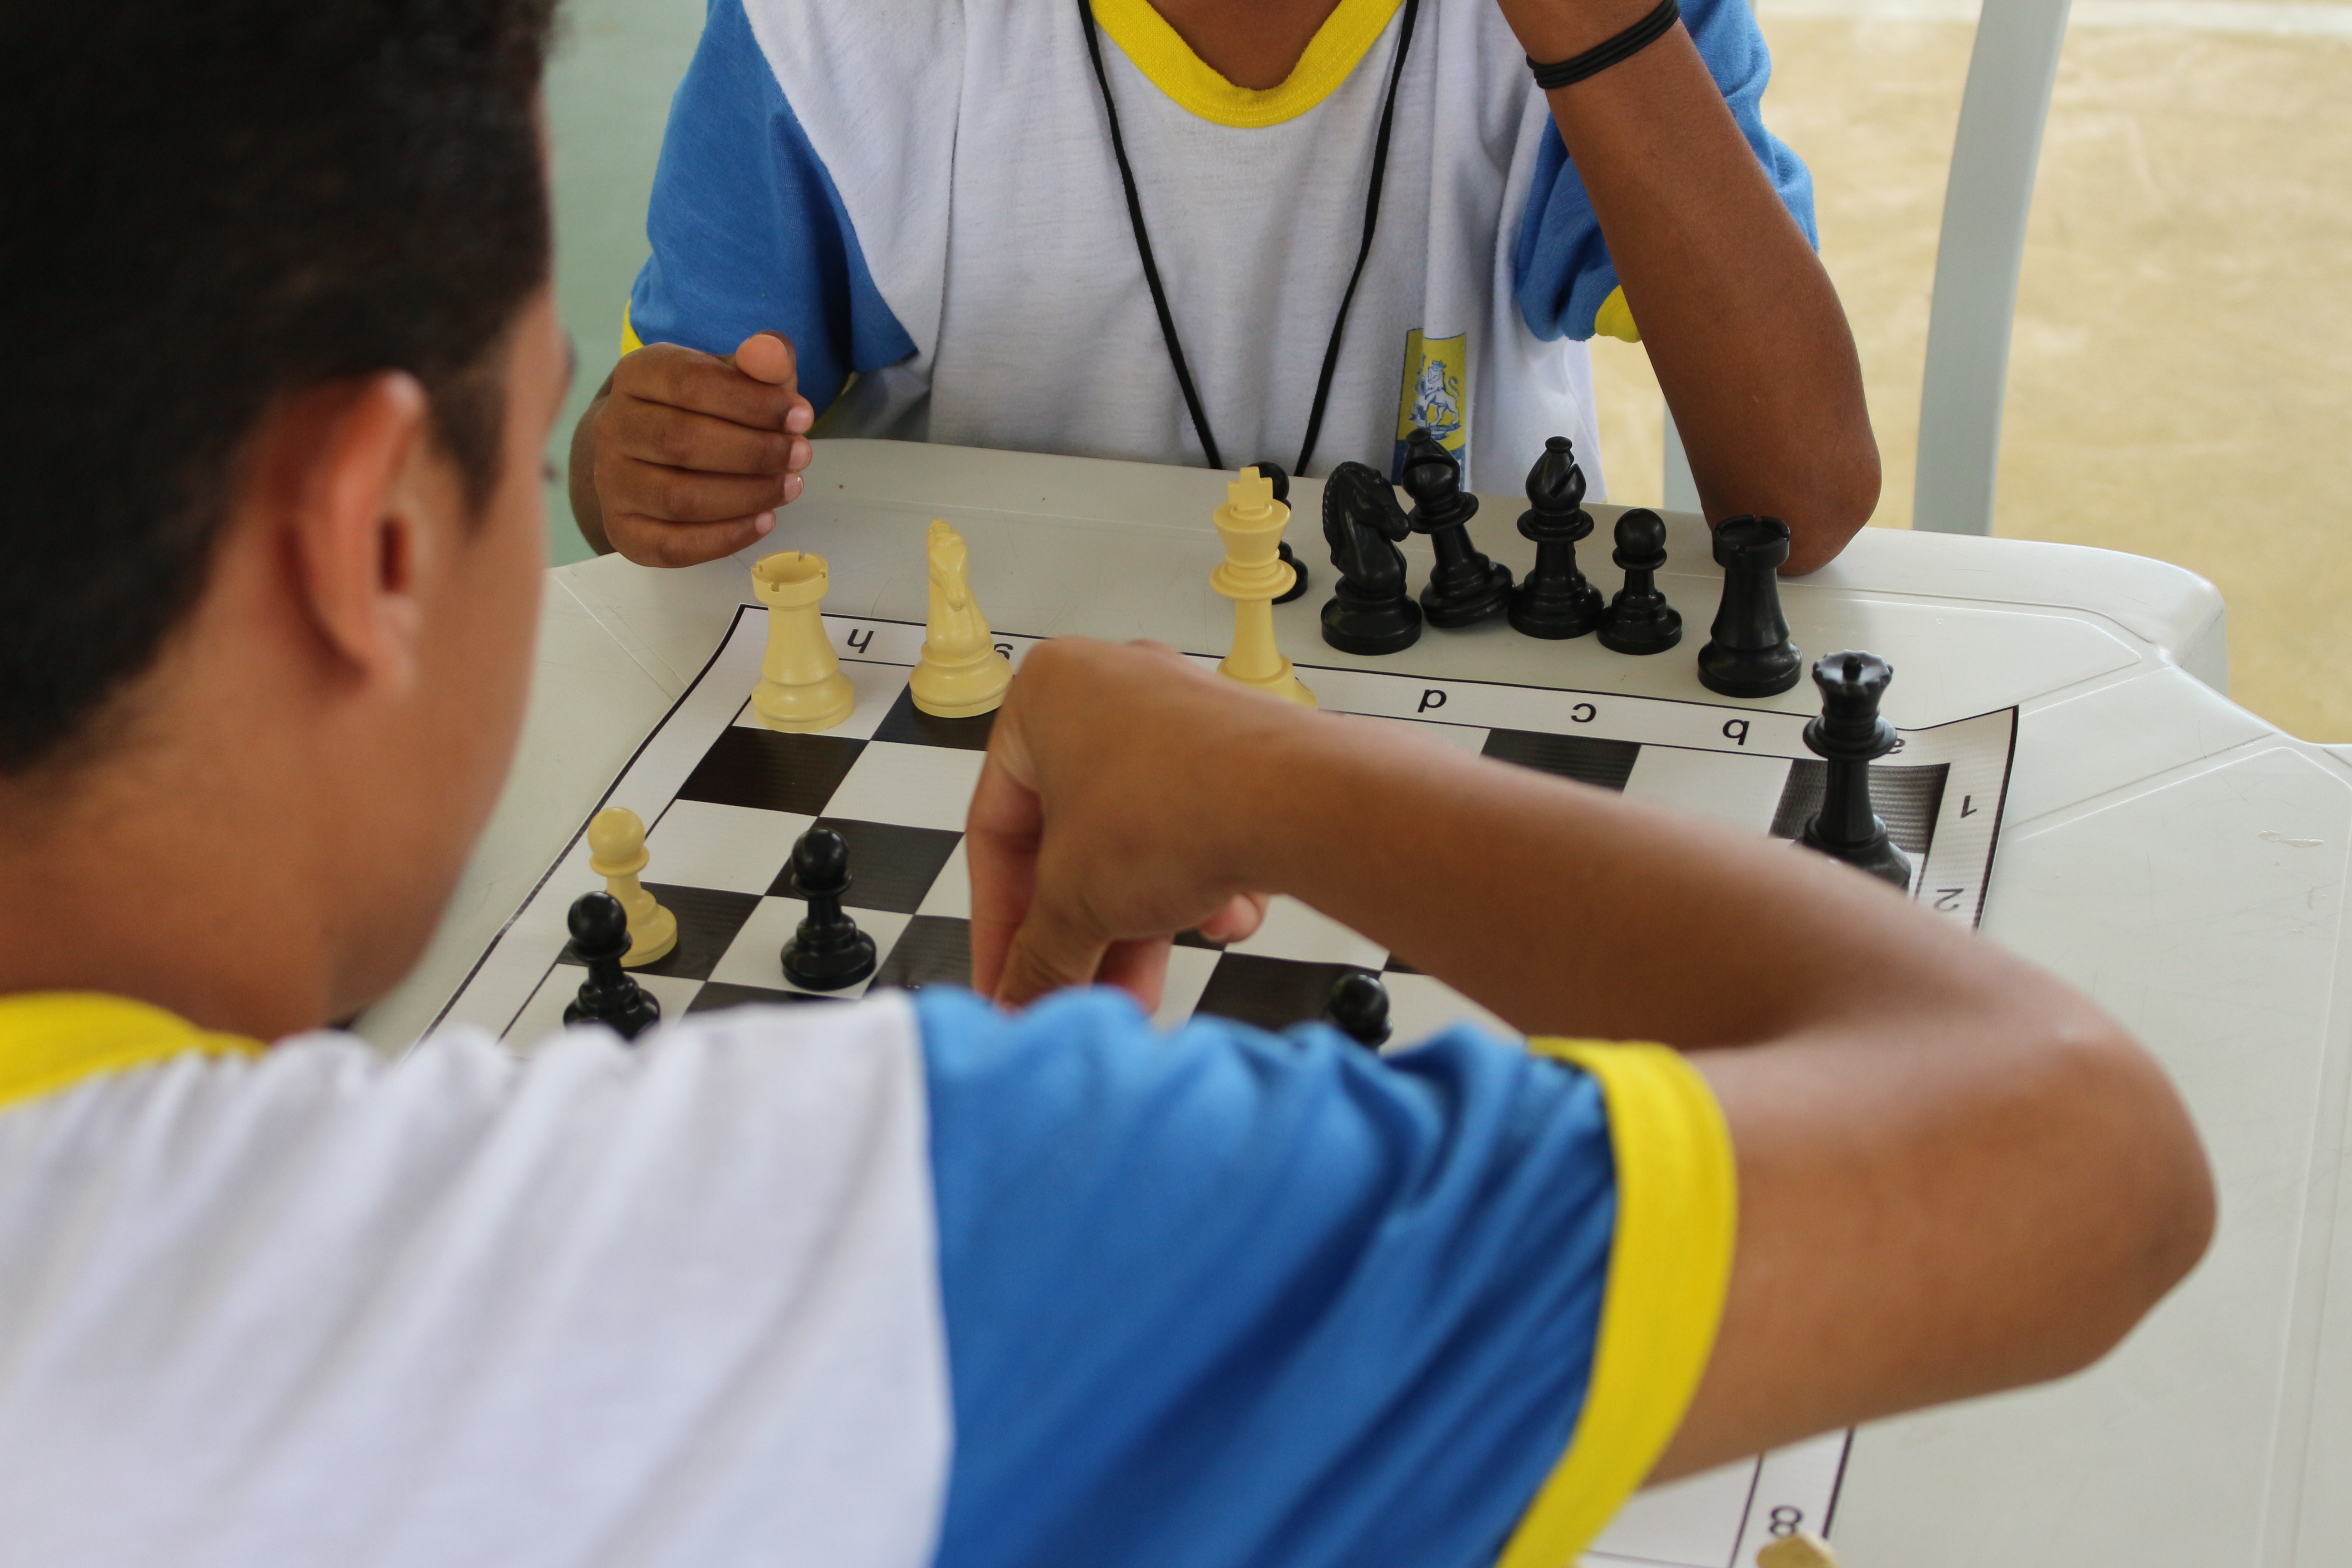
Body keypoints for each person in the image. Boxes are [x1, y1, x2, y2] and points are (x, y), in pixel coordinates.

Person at [0, 2, 2208, 1565]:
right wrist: (1293, 785)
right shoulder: (919, 1233)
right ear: (379, 535)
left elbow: (1806, 488)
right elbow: (2080, 1150)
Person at [568, 0, 1882, 575]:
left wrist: (1597, 28)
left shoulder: (1612, 24)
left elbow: (1803, 498)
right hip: (980, 750)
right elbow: (654, 459)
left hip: (1446, 748)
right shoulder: (835, 27)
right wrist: (633, 465)